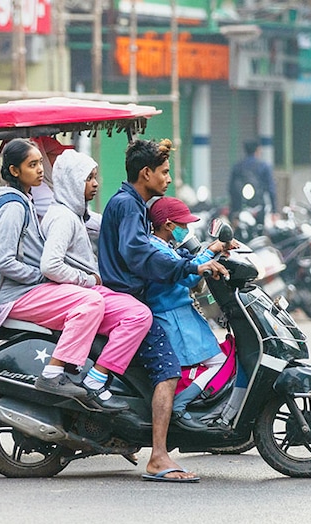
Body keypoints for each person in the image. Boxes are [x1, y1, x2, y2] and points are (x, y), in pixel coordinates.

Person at [98, 138, 228, 482]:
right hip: (130, 304)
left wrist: (191, 262)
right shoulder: (128, 205)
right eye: (164, 172)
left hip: (129, 301)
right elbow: (138, 252)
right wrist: (190, 268)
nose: (168, 178)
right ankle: (157, 456)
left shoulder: (131, 205)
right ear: (146, 173)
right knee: (168, 371)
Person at [0, 138, 106, 399]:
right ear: (15, 171)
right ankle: (53, 374)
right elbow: (3, 262)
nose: (40, 169)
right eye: (32, 165)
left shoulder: (26, 200)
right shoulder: (13, 207)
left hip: (25, 289)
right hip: (14, 296)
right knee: (91, 303)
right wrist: (40, 276)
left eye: (40, 163)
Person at [39, 148, 151, 411]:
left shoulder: (76, 214)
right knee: (139, 315)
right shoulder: (64, 219)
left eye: (95, 177)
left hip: (84, 290)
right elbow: (50, 264)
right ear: (72, 182)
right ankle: (96, 379)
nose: (96, 184)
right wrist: (88, 280)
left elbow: (105, 226)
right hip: (78, 292)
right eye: (89, 178)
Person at [146, 196, 231, 426]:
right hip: (174, 317)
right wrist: (210, 255)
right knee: (219, 362)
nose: (186, 229)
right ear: (168, 225)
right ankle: (181, 405)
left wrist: (213, 250)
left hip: (180, 314)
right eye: (182, 225)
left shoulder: (165, 246)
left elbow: (187, 266)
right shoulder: (157, 250)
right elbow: (188, 274)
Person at [228, 139, 277, 227]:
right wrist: (274, 210)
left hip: (240, 208)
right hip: (259, 207)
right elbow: (271, 189)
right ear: (257, 150)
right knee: (261, 231)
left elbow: (231, 189)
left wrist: (234, 209)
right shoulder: (263, 166)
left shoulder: (237, 167)